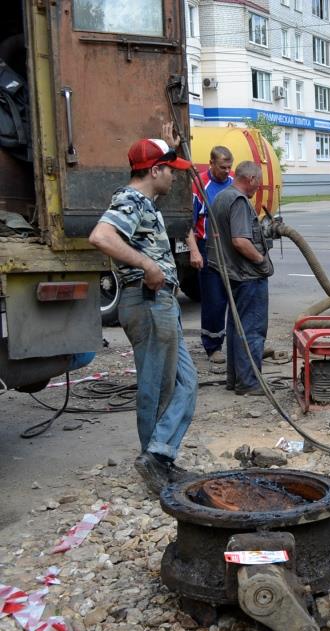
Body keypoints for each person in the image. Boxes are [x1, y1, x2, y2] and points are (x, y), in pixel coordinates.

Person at [87, 133, 198, 493]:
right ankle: (154, 461)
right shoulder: (130, 199)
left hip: (162, 303)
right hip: (148, 302)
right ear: (155, 171)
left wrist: (172, 138)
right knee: (157, 388)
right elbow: (102, 236)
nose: (175, 177)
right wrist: (147, 265)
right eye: (170, 171)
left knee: (186, 383)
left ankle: (160, 455)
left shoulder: (146, 203)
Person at [207, 160, 274, 396]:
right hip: (247, 276)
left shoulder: (222, 197)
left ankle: (235, 380)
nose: (259, 187)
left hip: (233, 274)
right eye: (259, 182)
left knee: (237, 327)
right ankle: (249, 383)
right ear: (251, 179)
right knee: (252, 330)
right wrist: (261, 261)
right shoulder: (238, 201)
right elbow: (240, 240)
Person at [186, 145, 234, 364]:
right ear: (212, 163)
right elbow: (189, 222)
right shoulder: (199, 185)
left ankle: (236, 342)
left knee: (233, 297)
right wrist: (194, 251)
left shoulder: (234, 183)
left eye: (229, 167)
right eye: (223, 167)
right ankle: (213, 346)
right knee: (214, 299)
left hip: (232, 248)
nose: (227, 171)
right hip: (208, 248)